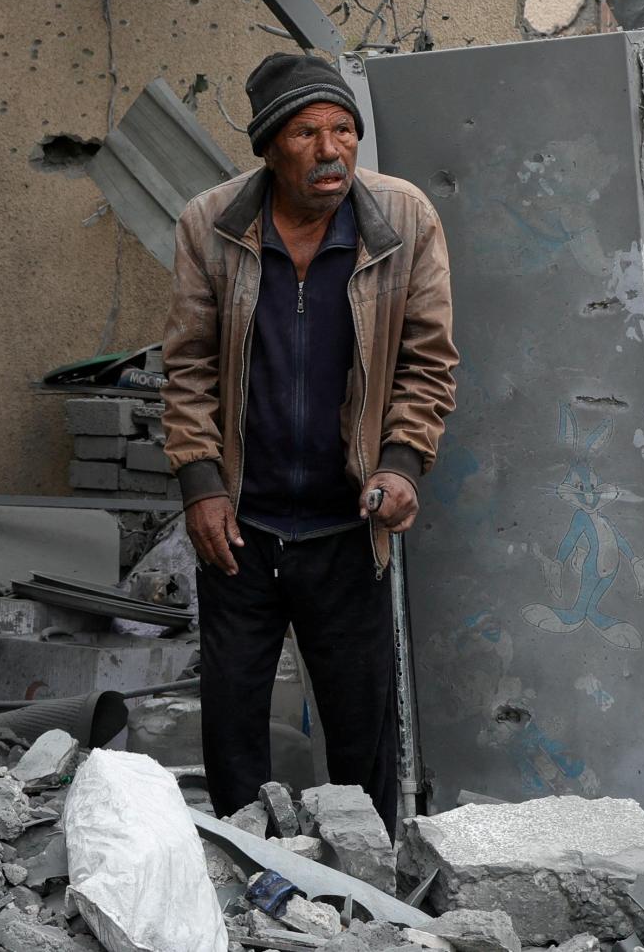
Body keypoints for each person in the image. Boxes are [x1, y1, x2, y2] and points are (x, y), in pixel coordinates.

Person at [162, 52, 457, 833]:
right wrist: (200, 482)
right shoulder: (211, 224)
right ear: (268, 148)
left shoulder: (404, 220)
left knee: (362, 739)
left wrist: (401, 464)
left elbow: (429, 362)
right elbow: (187, 365)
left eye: (343, 130)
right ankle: (244, 874)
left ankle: (370, 887)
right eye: (306, 132)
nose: (331, 150)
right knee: (232, 730)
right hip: (240, 529)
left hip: (345, 526)